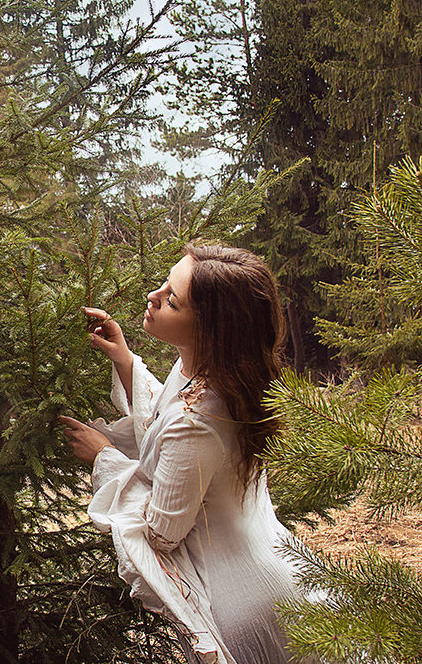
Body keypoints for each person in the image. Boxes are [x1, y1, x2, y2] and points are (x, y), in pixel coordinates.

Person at [58, 243, 308, 664]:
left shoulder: (201, 422)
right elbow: (168, 410)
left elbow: (161, 532)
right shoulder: (213, 371)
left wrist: (105, 458)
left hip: (242, 600)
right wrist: (125, 360)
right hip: (268, 562)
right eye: (164, 285)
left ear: (210, 329)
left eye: (171, 300)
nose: (152, 298)